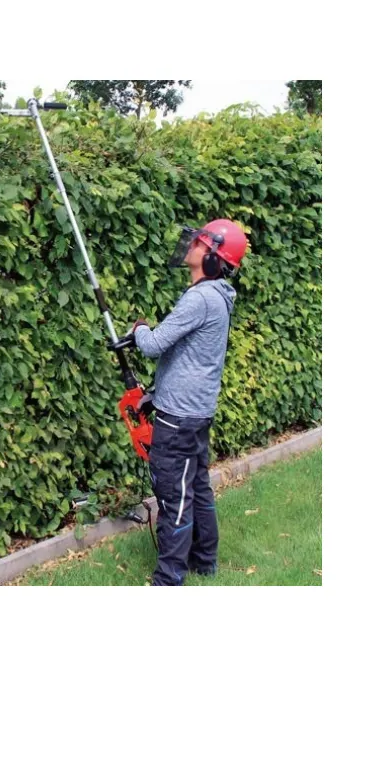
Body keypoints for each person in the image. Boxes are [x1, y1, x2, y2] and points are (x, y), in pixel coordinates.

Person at [131, 219, 248, 586]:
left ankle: (169, 579)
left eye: (199, 243)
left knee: (174, 496)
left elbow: (153, 345)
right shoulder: (218, 296)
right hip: (195, 413)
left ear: (213, 259)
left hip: (178, 419)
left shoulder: (199, 298)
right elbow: (189, 357)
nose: (191, 245)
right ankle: (204, 562)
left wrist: (138, 329)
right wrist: (157, 394)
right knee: (196, 488)